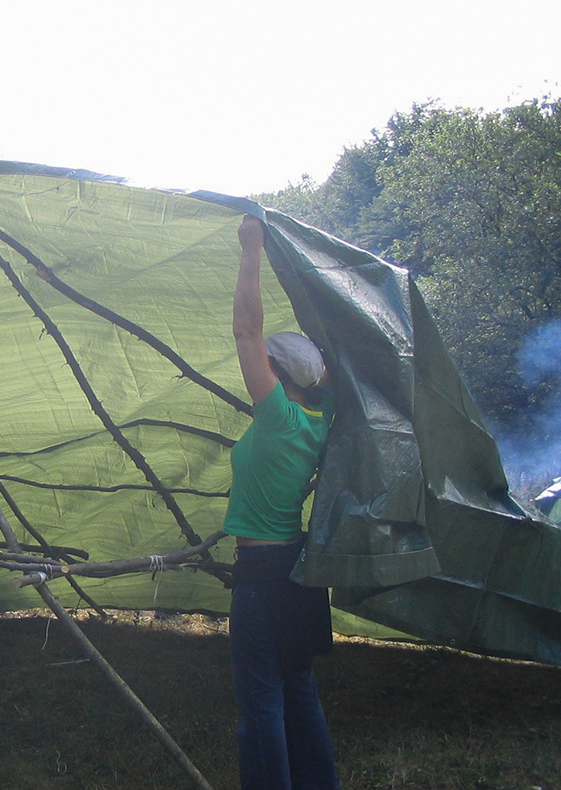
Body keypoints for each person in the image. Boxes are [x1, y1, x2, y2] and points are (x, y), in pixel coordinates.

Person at [226, 215, 340, 790]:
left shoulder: (279, 417)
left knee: (262, 705)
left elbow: (247, 330)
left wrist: (253, 249)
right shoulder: (319, 422)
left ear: (275, 372)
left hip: (263, 574)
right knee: (299, 692)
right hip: (297, 570)